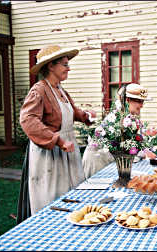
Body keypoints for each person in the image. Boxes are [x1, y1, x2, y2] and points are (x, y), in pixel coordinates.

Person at [17, 45, 96, 223]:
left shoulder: (60, 90)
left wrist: (86, 116)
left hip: (68, 150)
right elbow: (28, 120)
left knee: (72, 195)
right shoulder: (38, 91)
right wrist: (57, 141)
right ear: (51, 66)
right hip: (49, 154)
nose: (69, 68)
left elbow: (71, 112)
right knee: (51, 198)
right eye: (65, 64)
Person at [82, 83, 157, 179]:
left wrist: (145, 137)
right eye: (139, 101)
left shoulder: (127, 116)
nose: (142, 105)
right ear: (127, 100)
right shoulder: (118, 118)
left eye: (143, 101)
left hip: (109, 160)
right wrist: (144, 151)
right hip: (97, 161)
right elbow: (125, 145)